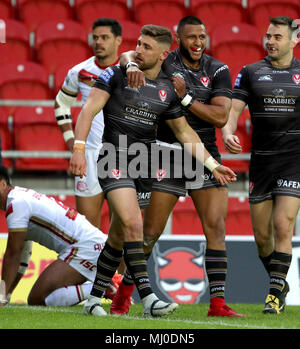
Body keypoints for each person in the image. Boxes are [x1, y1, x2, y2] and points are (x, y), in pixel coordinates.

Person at [69, 24, 237, 317]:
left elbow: (185, 133)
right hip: (114, 157)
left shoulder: (167, 88)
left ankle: (94, 299)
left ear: (163, 54)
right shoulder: (117, 73)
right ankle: (148, 298)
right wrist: (79, 148)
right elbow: (88, 110)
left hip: (144, 164)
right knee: (135, 224)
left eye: (146, 47)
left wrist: (213, 165)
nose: (139, 50)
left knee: (120, 235)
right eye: (139, 44)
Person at [115, 16, 244, 318]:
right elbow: (126, 56)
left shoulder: (218, 69)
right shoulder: (165, 59)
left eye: (202, 36)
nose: (198, 43)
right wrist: (132, 65)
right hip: (167, 153)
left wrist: (185, 97)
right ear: (177, 38)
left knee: (215, 228)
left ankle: (217, 305)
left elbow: (220, 117)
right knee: (150, 233)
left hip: (205, 153)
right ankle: (122, 296)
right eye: (191, 37)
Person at [222, 16, 300, 314]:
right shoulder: (251, 72)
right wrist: (228, 131)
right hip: (262, 163)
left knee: (284, 226)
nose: (271, 41)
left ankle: (272, 297)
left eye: (277, 36)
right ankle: (279, 281)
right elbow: (234, 109)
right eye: (268, 35)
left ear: (294, 41)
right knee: (262, 239)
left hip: (294, 160)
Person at [0, 165, 121, 307]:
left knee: (37, 299)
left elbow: (13, 254)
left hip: (84, 247)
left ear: (2, 184)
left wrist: (1, 296)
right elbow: (22, 257)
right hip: (89, 244)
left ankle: (103, 287)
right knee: (37, 299)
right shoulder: (19, 198)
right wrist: (6, 296)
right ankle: (104, 286)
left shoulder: (16, 204)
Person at [54, 17, 122, 229]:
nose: (98, 42)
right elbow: (60, 104)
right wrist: (73, 143)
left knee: (121, 234)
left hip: (123, 156)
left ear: (118, 40)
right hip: (89, 156)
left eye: (105, 37)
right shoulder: (80, 72)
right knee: (87, 232)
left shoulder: (131, 72)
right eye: (95, 38)